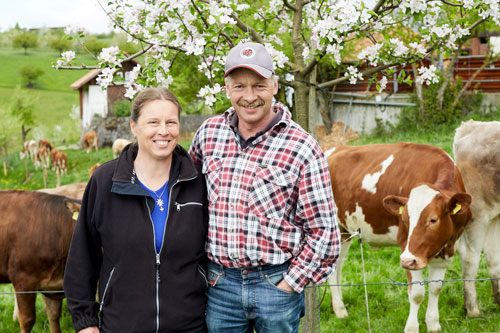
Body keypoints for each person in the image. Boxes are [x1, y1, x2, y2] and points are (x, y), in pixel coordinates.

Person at [189, 42, 341, 332]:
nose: (249, 97)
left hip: (275, 283)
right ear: (226, 88)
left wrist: (289, 283)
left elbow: (325, 231)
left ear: (274, 85)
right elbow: (187, 203)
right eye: (239, 86)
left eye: (259, 86)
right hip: (219, 285)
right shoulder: (208, 135)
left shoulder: (301, 146)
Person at [64, 87, 208, 332]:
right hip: (122, 324)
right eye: (153, 122)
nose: (163, 131)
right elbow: (82, 257)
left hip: (189, 325)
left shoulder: (197, 181)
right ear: (134, 126)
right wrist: (85, 323)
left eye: (170, 122)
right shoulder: (105, 181)